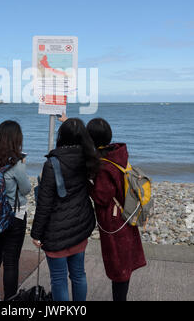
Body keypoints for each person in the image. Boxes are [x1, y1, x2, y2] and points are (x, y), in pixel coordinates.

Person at [31, 118, 99, 301]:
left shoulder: (52, 163)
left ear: (61, 136)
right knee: (79, 275)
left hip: (56, 232)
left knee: (59, 279)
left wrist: (36, 233)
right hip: (79, 226)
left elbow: (44, 204)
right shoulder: (89, 159)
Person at [86, 118, 147, 302]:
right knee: (124, 265)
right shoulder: (117, 155)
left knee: (118, 267)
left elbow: (102, 197)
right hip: (126, 215)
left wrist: (87, 184)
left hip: (115, 223)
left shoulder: (104, 165)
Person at [0, 120, 31, 301]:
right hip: (14, 217)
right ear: (17, 139)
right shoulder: (16, 165)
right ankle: (10, 301)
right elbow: (26, 189)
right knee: (10, 263)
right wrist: (23, 164)